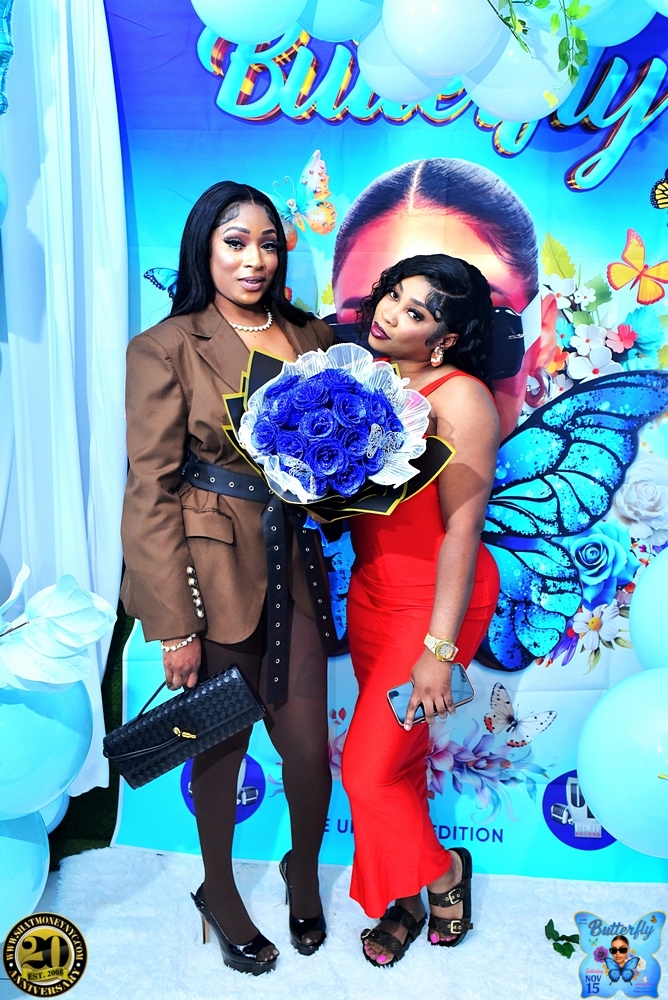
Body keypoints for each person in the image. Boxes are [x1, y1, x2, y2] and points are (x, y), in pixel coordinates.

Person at [120, 181, 335, 975]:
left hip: (294, 564)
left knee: (308, 752)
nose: (255, 259)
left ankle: (302, 871)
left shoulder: (312, 335)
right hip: (212, 572)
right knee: (220, 746)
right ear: (204, 249)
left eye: (269, 244)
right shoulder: (165, 345)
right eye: (236, 242)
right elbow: (149, 490)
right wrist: (175, 622)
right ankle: (217, 888)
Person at [340, 253, 501, 967]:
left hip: (435, 604)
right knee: (397, 762)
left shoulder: (461, 398)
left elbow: (462, 531)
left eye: (415, 311)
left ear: (445, 338)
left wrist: (438, 650)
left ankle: (441, 874)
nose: (389, 313)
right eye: (392, 295)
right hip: (371, 594)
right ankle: (403, 899)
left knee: (366, 771)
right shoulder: (365, 381)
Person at [331, 157, 558, 442]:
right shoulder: (354, 387)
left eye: (486, 330)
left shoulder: (465, 399)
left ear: (543, 334)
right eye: (357, 330)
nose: (388, 316)